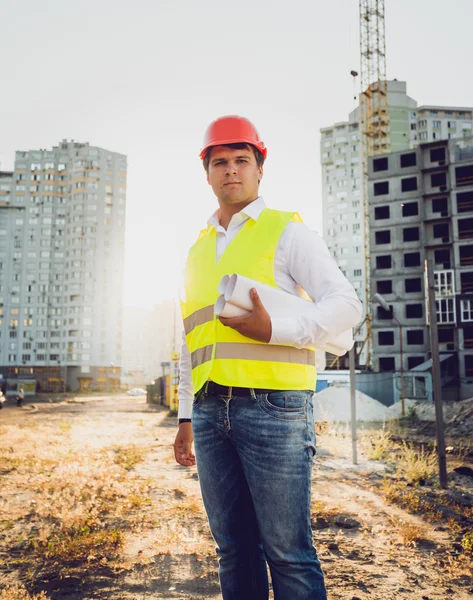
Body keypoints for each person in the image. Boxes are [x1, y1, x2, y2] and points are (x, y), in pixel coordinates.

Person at [173, 115, 362, 600]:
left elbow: (347, 306)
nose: (230, 170)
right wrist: (186, 415)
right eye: (220, 162)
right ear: (207, 173)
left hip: (275, 408)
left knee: (288, 552)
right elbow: (189, 344)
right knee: (233, 549)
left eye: (241, 160)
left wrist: (274, 328)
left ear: (259, 169)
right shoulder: (196, 251)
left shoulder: (287, 232)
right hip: (212, 412)